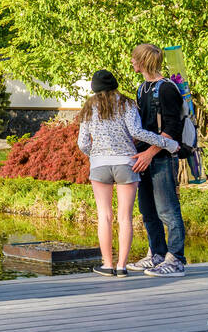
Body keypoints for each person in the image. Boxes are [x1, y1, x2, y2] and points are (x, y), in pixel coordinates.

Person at [76, 69, 179, 276]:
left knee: (104, 216)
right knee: (125, 217)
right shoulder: (128, 104)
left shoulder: (88, 108)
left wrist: (95, 155)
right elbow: (137, 133)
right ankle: (122, 267)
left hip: (100, 165)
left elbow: (82, 143)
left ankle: (107, 265)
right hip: (126, 163)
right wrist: (167, 143)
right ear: (114, 84)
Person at [129, 43, 189, 276]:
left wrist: (149, 153)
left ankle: (176, 260)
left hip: (162, 157)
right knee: (147, 210)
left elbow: (172, 128)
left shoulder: (166, 89)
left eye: (135, 59)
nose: (132, 62)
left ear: (143, 62)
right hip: (144, 157)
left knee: (168, 210)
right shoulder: (142, 88)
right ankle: (157, 254)